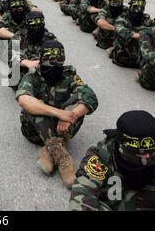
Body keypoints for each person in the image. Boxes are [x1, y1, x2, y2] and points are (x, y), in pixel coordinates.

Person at [70, 110, 155, 211]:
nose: (147, 158)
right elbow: (81, 198)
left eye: (152, 152)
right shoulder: (101, 156)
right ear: (122, 147)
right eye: (139, 154)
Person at [16, 40, 98, 188]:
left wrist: (71, 114)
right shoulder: (32, 76)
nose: (53, 63)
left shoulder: (69, 75)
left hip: (62, 126)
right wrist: (60, 113)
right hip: (34, 131)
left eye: (58, 60)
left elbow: (90, 97)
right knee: (35, 106)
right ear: (41, 60)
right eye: (49, 60)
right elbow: (23, 99)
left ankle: (51, 149)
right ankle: (61, 156)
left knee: (80, 105)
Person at [111, 0, 153, 67]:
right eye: (136, 8)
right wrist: (142, 36)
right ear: (130, 7)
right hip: (122, 57)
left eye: (141, 8)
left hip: (139, 58)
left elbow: (154, 29)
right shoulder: (122, 18)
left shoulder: (146, 18)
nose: (138, 11)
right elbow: (120, 30)